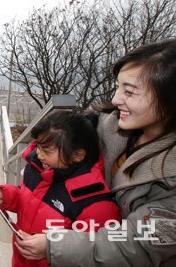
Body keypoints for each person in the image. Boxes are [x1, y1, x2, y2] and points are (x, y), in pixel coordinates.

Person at [15, 39, 176, 266]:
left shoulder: (170, 180)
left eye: (129, 92)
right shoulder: (103, 125)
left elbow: (136, 245)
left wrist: (55, 246)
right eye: (118, 87)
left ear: (169, 100)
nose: (115, 99)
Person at [0, 110, 121, 267]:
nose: (39, 154)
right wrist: (5, 196)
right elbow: (28, 201)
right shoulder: (38, 170)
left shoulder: (94, 203)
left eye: (46, 150)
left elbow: (95, 254)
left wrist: (51, 249)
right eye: (38, 146)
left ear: (77, 155)